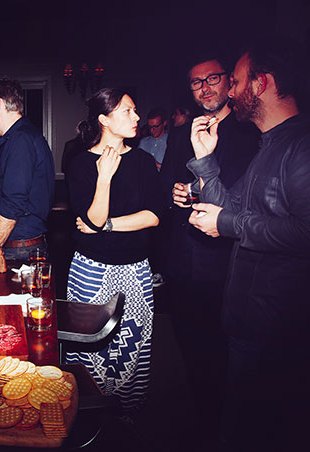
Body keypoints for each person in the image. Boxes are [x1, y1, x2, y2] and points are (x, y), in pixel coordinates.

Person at [182, 36, 310, 451]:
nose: (231, 92)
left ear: (260, 84)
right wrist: (205, 160)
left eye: (235, 82)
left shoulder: (301, 146)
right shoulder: (269, 144)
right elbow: (231, 206)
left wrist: (229, 221)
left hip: (277, 328)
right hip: (248, 320)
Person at [160, 52, 259, 434]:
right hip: (183, 258)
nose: (205, 88)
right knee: (188, 347)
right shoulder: (181, 131)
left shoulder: (249, 130)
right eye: (197, 83)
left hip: (224, 261)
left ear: (228, 83)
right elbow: (167, 181)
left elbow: (247, 198)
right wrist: (174, 193)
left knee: (223, 354)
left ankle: (224, 426)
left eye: (213, 79)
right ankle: (201, 421)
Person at [64, 88, 160, 415]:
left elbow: (154, 215)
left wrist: (106, 226)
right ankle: (89, 412)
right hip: (90, 272)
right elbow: (91, 218)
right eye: (128, 111)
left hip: (135, 271)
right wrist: (104, 178)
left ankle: (128, 415)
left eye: (135, 111)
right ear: (105, 118)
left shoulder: (144, 161)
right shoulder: (79, 164)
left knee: (133, 345)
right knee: (91, 346)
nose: (137, 117)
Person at [0, 78, 55, 260]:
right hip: (17, 246)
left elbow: (13, 203)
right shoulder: (19, 137)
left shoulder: (20, 140)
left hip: (16, 249)